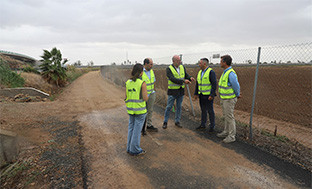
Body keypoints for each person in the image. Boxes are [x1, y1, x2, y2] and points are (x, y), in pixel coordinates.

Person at [162, 55, 195, 129]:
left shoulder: (182, 67)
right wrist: (183, 81)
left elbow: (185, 75)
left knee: (179, 107)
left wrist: (190, 78)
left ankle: (177, 121)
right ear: (173, 61)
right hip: (172, 92)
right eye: (178, 60)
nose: (180, 61)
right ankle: (165, 122)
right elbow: (172, 78)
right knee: (169, 107)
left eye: (180, 60)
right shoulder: (169, 69)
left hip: (180, 91)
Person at [217, 55, 241, 143]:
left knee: (229, 117)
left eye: (221, 61)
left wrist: (237, 94)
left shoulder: (230, 73)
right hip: (224, 99)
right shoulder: (225, 72)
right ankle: (226, 132)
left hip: (229, 99)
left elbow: (236, 85)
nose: (220, 63)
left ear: (225, 62)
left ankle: (231, 136)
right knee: (226, 116)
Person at [125, 63, 148, 155]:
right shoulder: (142, 83)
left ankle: (129, 148)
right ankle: (134, 149)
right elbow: (145, 98)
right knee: (137, 131)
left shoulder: (128, 83)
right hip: (140, 111)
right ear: (141, 73)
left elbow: (125, 96)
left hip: (130, 110)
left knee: (131, 128)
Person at [194, 58, 217, 132]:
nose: (199, 64)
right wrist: (196, 93)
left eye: (200, 63)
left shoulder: (211, 72)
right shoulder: (200, 72)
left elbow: (214, 84)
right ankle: (203, 125)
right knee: (203, 110)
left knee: (210, 111)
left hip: (208, 96)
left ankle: (212, 127)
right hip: (201, 95)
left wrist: (212, 95)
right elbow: (198, 83)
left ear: (204, 64)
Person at [141, 58, 158, 135]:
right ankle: (142, 128)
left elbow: (153, 82)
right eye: (151, 64)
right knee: (143, 112)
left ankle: (149, 125)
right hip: (144, 95)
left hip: (151, 94)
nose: (152, 66)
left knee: (150, 110)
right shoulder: (141, 72)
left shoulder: (151, 71)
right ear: (146, 64)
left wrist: (154, 91)